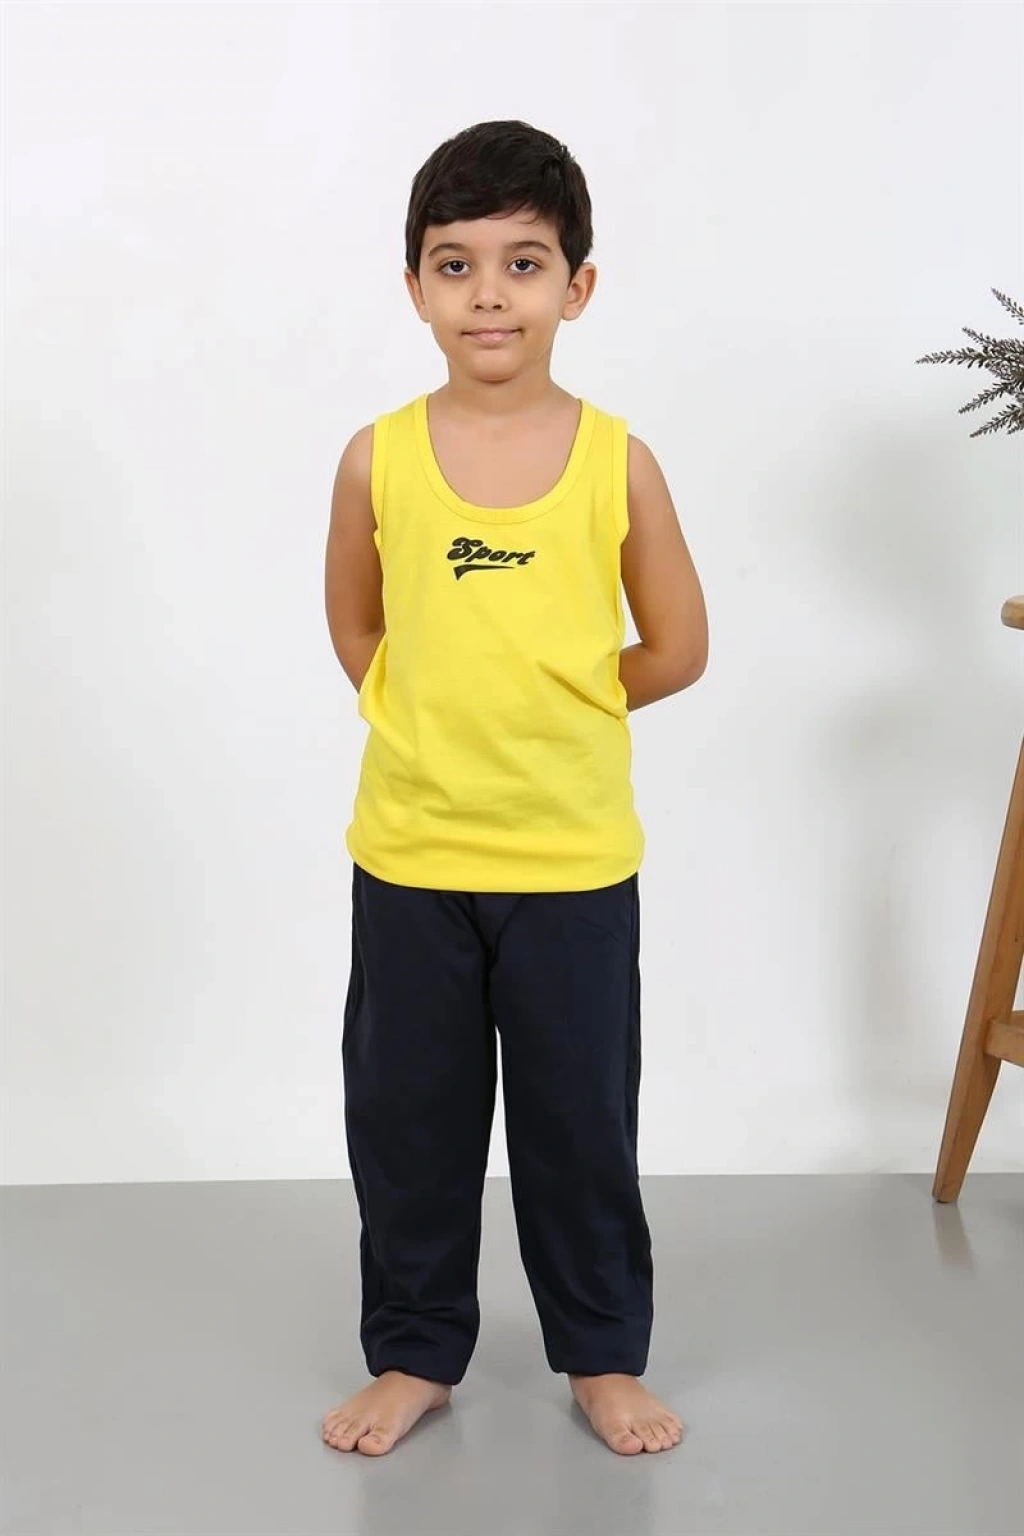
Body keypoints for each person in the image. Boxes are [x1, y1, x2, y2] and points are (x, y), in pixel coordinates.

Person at [320, 120, 708, 1459]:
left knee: (577, 1128)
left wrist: (558, 702)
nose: (489, 294)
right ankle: (415, 1351)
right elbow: (358, 628)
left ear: (576, 287)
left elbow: (677, 648)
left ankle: (601, 1355)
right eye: (456, 264)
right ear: (416, 286)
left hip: (571, 865)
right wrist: (430, 709)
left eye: (524, 263)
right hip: (412, 858)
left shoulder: (618, 461)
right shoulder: (375, 457)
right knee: (408, 1125)